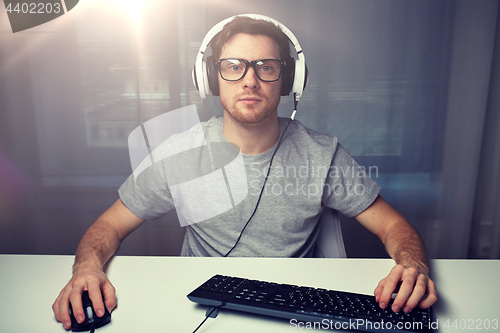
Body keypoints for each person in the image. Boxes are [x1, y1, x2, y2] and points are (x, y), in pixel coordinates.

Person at [52, 14, 437, 330]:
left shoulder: (323, 154)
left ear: (288, 81)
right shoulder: (178, 154)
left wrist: (412, 265)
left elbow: (394, 226)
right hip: (201, 310)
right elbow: (109, 225)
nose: (249, 80)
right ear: (211, 78)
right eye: (233, 66)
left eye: (265, 67)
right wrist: (86, 270)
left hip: (292, 311)